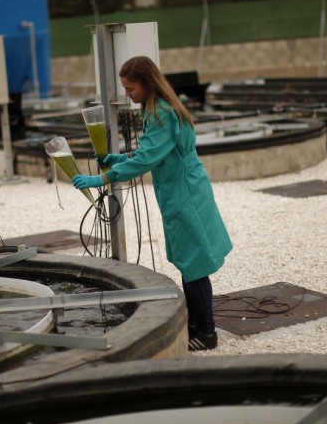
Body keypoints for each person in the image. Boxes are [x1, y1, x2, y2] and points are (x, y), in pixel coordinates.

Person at [72, 55, 233, 351]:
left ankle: (207, 333)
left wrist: (99, 180)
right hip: (184, 189)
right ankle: (197, 324)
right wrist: (121, 158)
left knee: (194, 263)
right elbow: (156, 151)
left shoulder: (161, 114)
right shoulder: (158, 107)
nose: (127, 95)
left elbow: (146, 160)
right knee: (190, 260)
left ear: (146, 84)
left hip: (184, 194)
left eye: (131, 89)